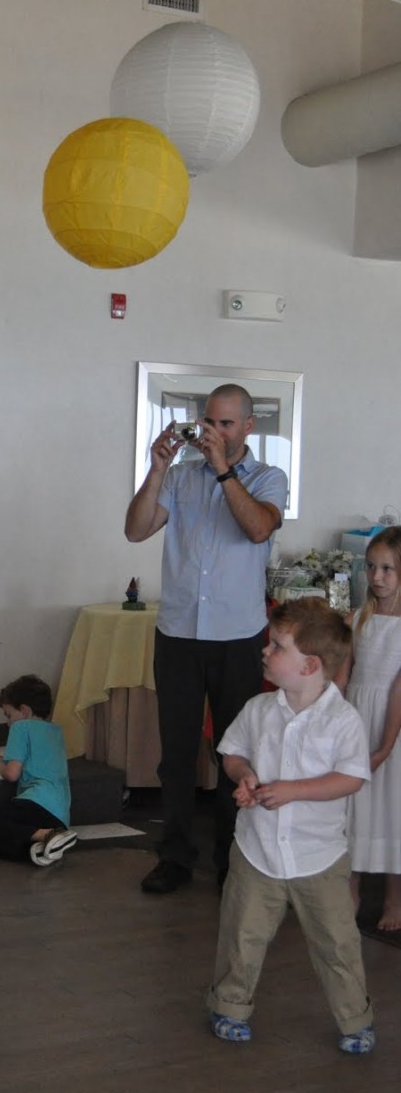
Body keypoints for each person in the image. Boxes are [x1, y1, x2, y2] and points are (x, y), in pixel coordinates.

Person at [125, 384, 288, 896]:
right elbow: (135, 531)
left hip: (238, 636)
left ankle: (231, 860)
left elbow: (258, 529)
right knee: (175, 754)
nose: (214, 432)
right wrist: (156, 469)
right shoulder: (179, 477)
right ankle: (174, 856)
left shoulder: (269, 477)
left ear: (248, 426)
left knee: (234, 753)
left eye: (225, 424)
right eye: (208, 422)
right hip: (178, 632)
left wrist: (223, 470)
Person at [206, 600, 375, 1054]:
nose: (266, 651)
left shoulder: (343, 721)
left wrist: (293, 791)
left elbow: (351, 778)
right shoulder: (258, 709)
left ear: (310, 665)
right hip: (256, 850)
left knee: (337, 942)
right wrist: (244, 776)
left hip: (319, 857)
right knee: (242, 934)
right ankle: (230, 1004)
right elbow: (232, 753)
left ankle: (355, 1018)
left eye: (277, 646)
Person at [344, 527, 401, 931]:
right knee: (355, 806)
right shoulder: (357, 619)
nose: (376, 577)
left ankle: (394, 898)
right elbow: (343, 677)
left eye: (387, 569)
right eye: (371, 567)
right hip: (358, 718)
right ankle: (351, 888)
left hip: (392, 723)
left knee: (392, 807)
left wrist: (385, 745)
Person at [0, 675, 76, 866]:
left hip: (36, 803)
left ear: (24, 710)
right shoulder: (55, 731)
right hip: (60, 814)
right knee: (17, 832)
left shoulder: (21, 727)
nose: (8, 723)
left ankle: (47, 835)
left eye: (9, 715)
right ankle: (44, 846)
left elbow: (12, 774)